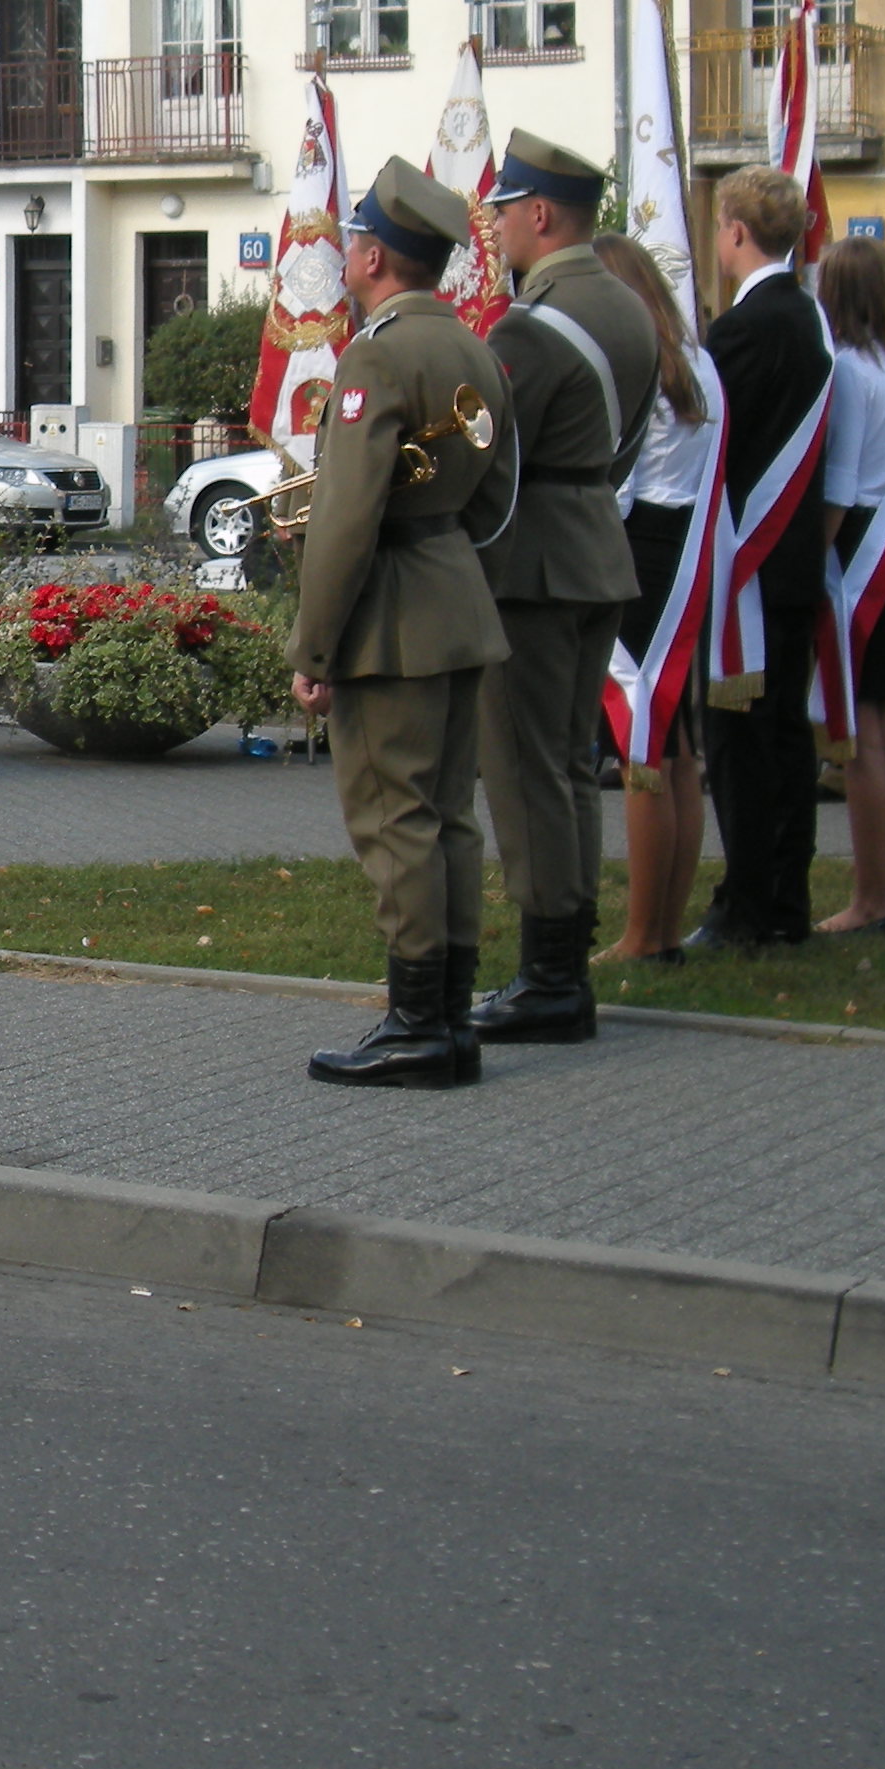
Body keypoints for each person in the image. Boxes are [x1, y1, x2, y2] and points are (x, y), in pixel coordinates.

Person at [285, 162, 515, 1086]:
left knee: (395, 822)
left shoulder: (375, 356)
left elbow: (345, 519)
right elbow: (497, 498)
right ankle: (449, 1019)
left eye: (352, 243)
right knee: (449, 818)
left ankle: (417, 1025)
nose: (345, 256)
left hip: (389, 616)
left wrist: (314, 646)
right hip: (456, 597)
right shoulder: (473, 347)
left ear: (375, 256)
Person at [466, 129, 658, 1040]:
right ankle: (564, 959)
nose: (497, 226)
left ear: (540, 214)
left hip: (534, 566)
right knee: (572, 767)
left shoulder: (531, 326)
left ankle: (549, 977)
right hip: (596, 546)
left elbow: (489, 457)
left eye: (505, 209)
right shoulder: (628, 306)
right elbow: (623, 444)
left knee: (526, 769)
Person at [686, 164, 835, 953]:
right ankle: (786, 897)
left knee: (741, 744)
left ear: (737, 232)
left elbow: (710, 435)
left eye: (720, 228)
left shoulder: (745, 329)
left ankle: (747, 903)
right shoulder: (808, 317)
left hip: (747, 560)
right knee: (783, 740)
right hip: (792, 561)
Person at [594, 235, 724, 964]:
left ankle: (645, 933)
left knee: (642, 747)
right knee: (674, 749)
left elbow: (616, 487)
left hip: (637, 549)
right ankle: (665, 926)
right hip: (686, 548)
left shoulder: (633, 363)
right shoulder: (698, 361)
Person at [809, 235, 885, 935]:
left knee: (858, 736)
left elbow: (840, 486)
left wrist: (810, 565)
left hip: (859, 556)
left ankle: (870, 898)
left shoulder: (849, 371)